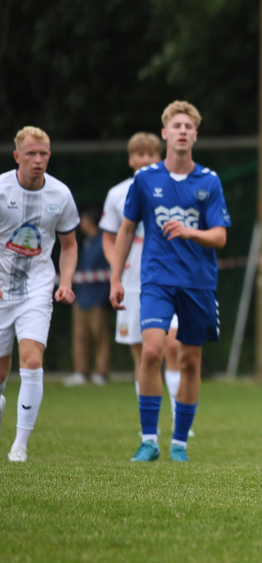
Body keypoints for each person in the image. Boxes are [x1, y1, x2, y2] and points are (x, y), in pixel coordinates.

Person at [109, 101, 231, 463]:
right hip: (156, 279)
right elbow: (126, 229)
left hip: (197, 282)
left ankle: (179, 444)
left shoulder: (208, 181)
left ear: (195, 135)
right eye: (176, 126)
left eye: (188, 127)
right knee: (151, 352)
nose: (182, 131)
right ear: (165, 133)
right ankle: (149, 440)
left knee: (190, 360)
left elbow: (220, 236)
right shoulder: (145, 179)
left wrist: (190, 232)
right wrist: (115, 278)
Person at [0, 126, 80, 462]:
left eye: (43, 153)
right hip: (2, 290)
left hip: (36, 289)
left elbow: (69, 245)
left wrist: (66, 282)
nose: (38, 159)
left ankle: (19, 446)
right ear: (16, 156)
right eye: (30, 153)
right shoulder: (2, 189)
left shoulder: (60, 194)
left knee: (32, 361)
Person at [100, 132, 162, 396]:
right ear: (130, 159)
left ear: (160, 157)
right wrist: (117, 264)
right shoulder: (117, 193)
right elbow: (108, 238)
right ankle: (147, 413)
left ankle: (177, 411)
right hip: (132, 281)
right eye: (140, 154)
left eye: (151, 154)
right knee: (143, 352)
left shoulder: (170, 188)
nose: (146, 159)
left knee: (170, 347)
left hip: (164, 276)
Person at [65, 206, 111, 386]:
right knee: (79, 337)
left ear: (91, 221)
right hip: (82, 296)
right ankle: (81, 372)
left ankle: (101, 372)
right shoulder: (86, 242)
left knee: (100, 337)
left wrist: (105, 297)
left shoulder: (103, 242)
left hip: (98, 298)